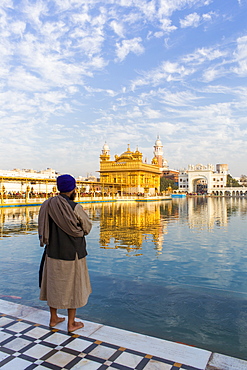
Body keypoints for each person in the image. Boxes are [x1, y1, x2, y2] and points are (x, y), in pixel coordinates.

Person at [38, 174, 92, 332]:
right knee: (73, 287)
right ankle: (71, 323)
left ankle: (53, 318)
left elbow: (42, 227)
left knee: (53, 284)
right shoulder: (75, 207)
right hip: (73, 253)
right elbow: (87, 228)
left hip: (52, 251)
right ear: (73, 189)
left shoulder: (48, 205)